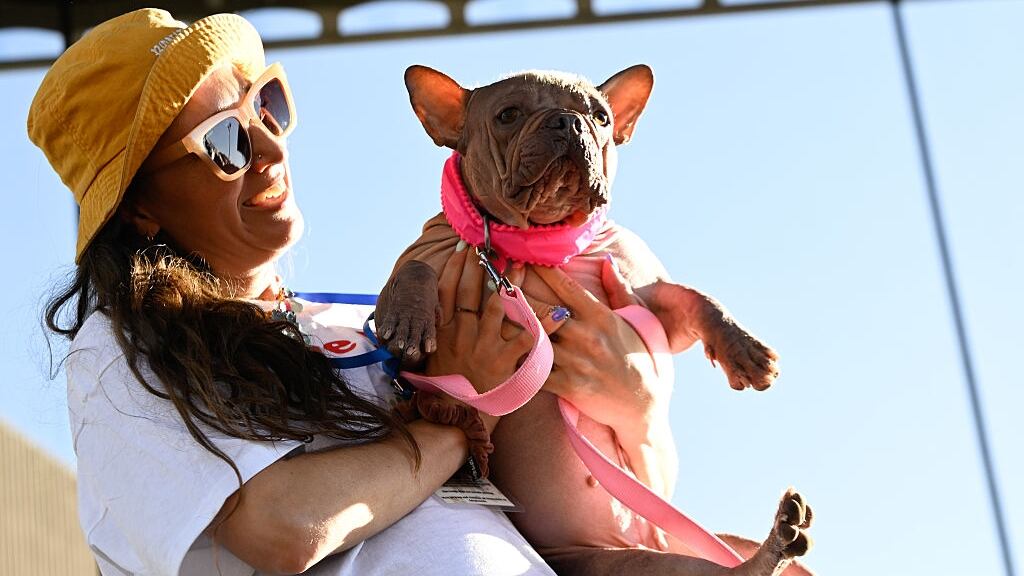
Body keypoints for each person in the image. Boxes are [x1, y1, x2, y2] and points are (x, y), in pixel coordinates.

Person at [28, 8, 672, 576]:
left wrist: (638, 408)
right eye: (223, 142)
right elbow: (282, 529)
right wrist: (455, 428)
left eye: (265, 105)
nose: (269, 148)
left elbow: (572, 505)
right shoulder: (124, 345)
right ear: (141, 209)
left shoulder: (371, 322)